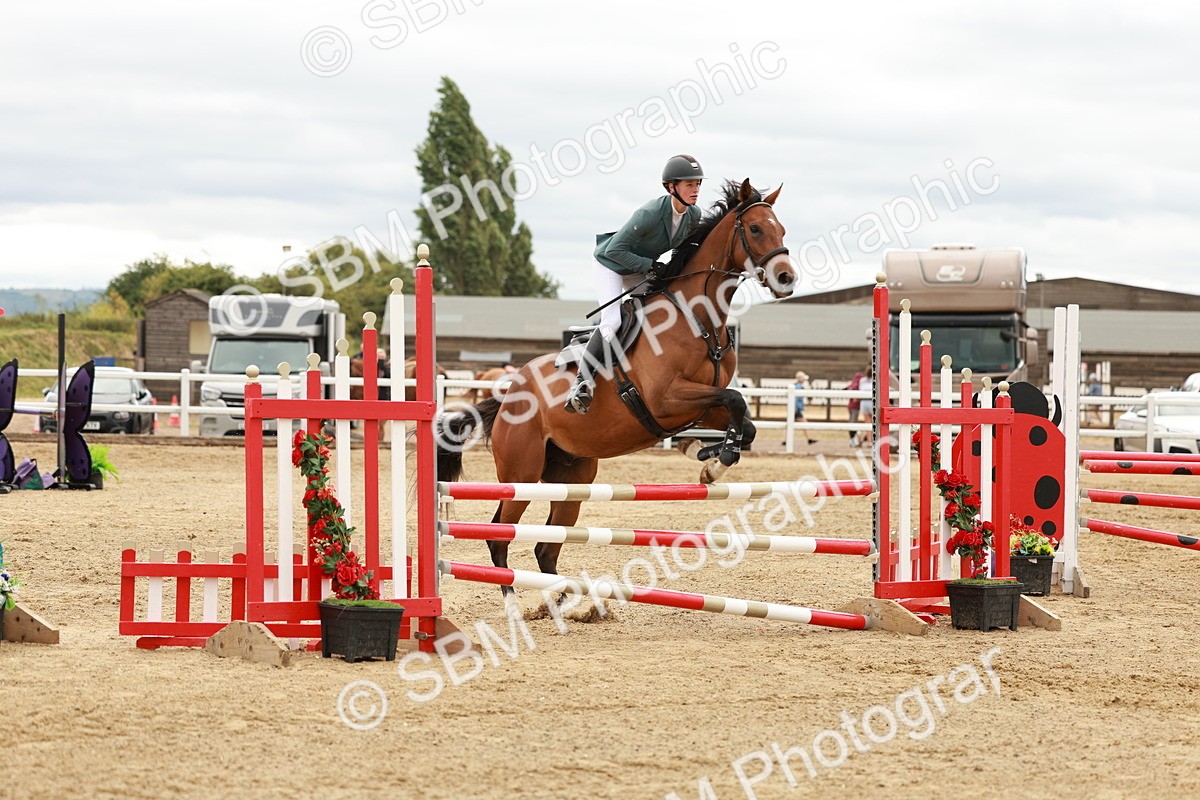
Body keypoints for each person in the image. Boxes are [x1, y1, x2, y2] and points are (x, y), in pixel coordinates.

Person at [563, 154, 705, 413]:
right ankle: (582, 383)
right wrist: (649, 267)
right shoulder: (651, 212)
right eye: (689, 184)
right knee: (612, 321)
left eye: (697, 184)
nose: (695, 190)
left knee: (663, 309)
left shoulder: (693, 215)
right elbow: (614, 250)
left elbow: (680, 251)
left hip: (640, 267)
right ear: (671, 187)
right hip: (610, 264)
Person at [792, 370, 818, 445]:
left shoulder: (796, 386)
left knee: (791, 424)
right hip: (797, 409)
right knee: (804, 423)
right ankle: (809, 439)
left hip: (795, 409)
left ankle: (786, 440)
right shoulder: (800, 387)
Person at [845, 368, 865, 443]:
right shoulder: (857, 386)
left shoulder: (852, 384)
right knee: (853, 423)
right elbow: (856, 399)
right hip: (855, 407)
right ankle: (853, 440)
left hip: (850, 406)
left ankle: (853, 440)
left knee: (851, 422)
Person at [857, 365, 874, 448]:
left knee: (867, 422)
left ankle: (866, 439)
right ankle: (868, 439)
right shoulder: (875, 380)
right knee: (874, 423)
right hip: (872, 402)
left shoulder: (862, 380)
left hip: (864, 402)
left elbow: (860, 389)